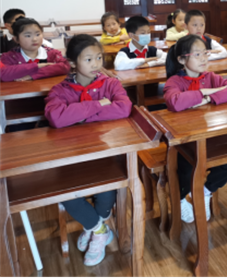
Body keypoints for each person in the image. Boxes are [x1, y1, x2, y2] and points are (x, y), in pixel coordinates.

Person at [44, 34, 132, 266]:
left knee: (106, 192)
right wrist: (98, 105)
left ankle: (94, 227)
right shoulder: (61, 90)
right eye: (89, 59)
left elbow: (123, 108)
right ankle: (100, 230)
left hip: (106, 152)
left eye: (99, 58)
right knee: (66, 194)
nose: (96, 64)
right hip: (71, 156)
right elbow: (56, 117)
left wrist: (78, 114)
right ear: (73, 62)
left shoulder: (110, 84)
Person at [164, 34, 227, 223]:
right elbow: (175, 102)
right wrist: (204, 92)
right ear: (182, 59)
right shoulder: (174, 81)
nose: (204, 59)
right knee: (185, 164)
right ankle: (182, 198)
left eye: (205, 53)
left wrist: (208, 98)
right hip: (185, 138)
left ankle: (205, 191)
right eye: (197, 54)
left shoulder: (210, 77)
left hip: (210, 134)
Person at [0, 17, 70, 80]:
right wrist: (38, 65)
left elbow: (65, 66)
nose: (34, 39)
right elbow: (3, 74)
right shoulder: (9, 57)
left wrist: (34, 75)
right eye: (28, 36)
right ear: (16, 39)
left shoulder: (52, 53)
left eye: (37, 34)